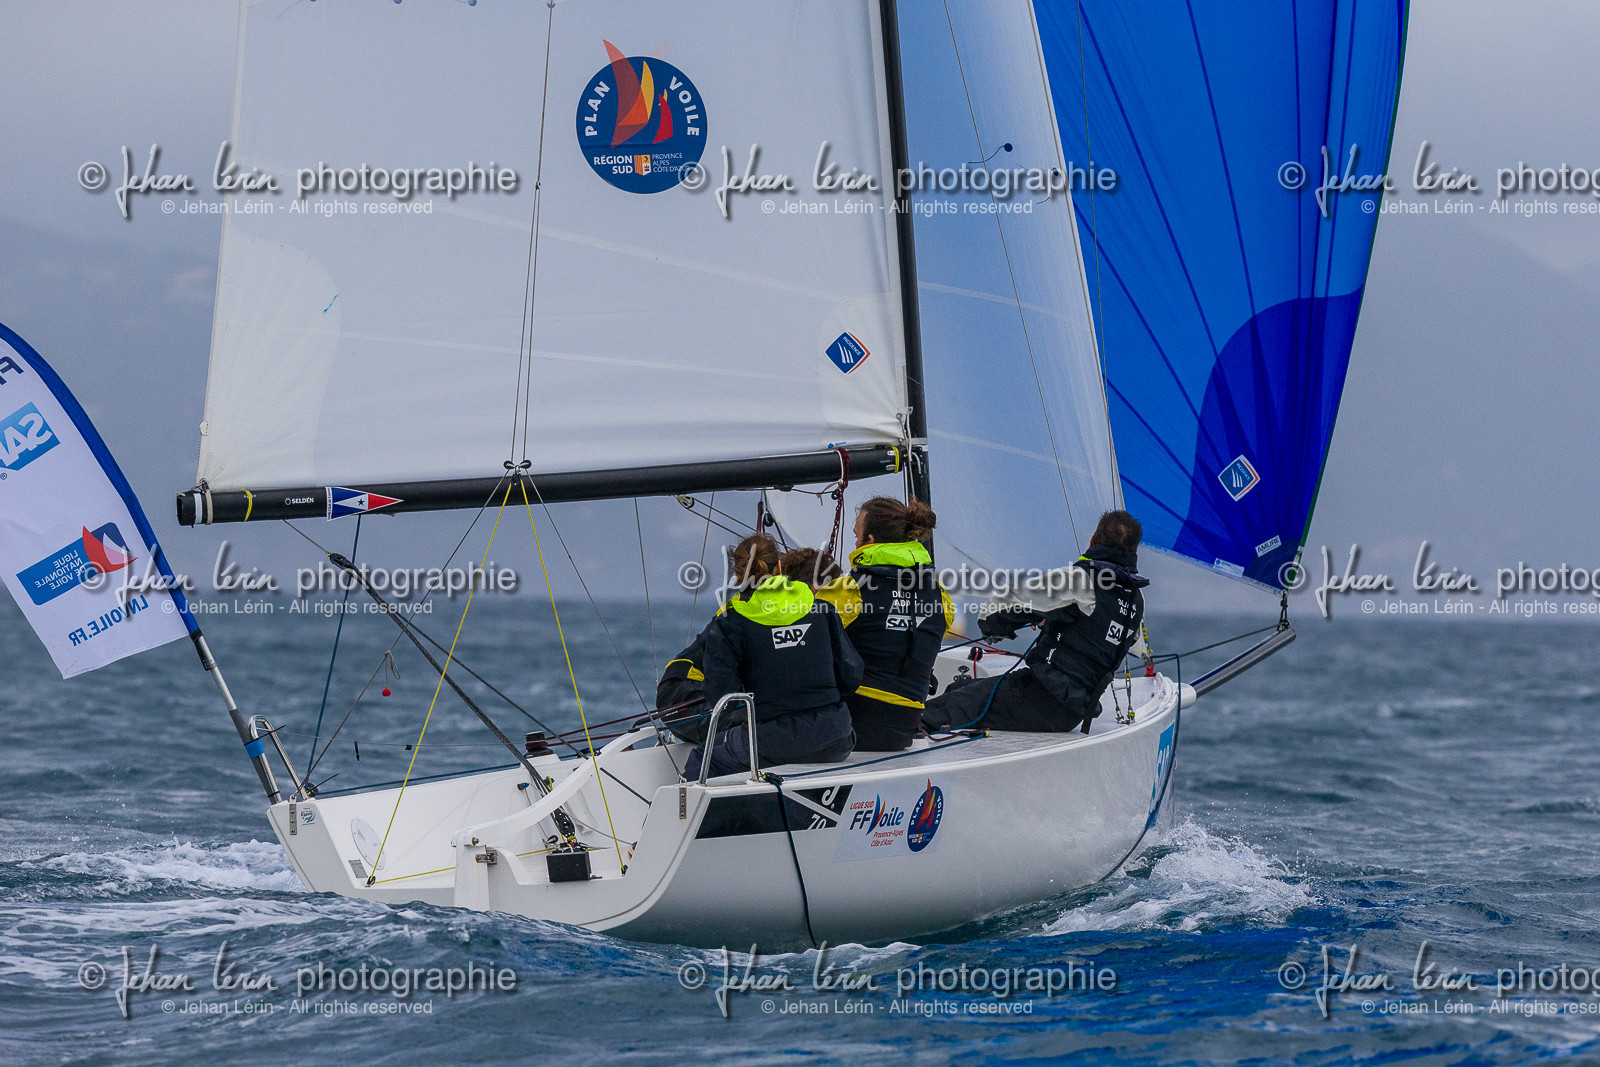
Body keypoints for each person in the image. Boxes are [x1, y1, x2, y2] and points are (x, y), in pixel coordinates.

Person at [922, 510, 1147, 735]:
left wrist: (995, 629)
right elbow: (1124, 641)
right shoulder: (1136, 598)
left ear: (1093, 541)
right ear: (1135, 551)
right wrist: (1053, 619)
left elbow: (998, 609)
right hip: (1075, 710)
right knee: (960, 688)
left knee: (943, 709)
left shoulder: (1080, 580)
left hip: (1042, 698)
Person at [685, 533, 862, 778]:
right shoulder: (822, 609)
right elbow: (851, 674)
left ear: (737, 575)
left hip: (770, 744)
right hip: (835, 737)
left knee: (701, 758)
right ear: (779, 567)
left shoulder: (730, 621)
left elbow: (722, 695)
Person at [839, 497, 954, 751]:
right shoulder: (939, 593)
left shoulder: (850, 588)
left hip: (854, 721)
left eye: (857, 536)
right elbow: (933, 633)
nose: (855, 543)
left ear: (870, 540)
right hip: (906, 725)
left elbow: (813, 636)